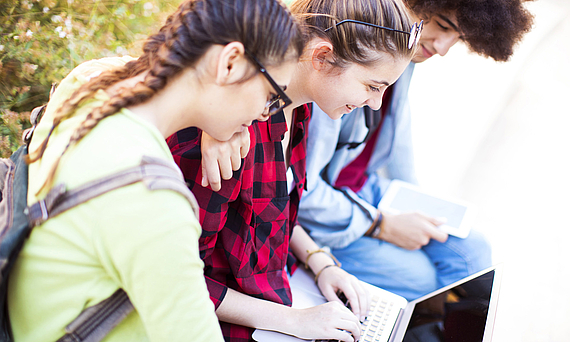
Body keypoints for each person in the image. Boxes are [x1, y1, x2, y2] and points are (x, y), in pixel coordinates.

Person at [7, 0, 304, 341]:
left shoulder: (89, 82)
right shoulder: (151, 199)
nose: (266, 115)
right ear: (230, 63)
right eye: (270, 96)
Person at [168, 0, 420, 340]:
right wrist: (294, 321)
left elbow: (277, 210)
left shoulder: (300, 111)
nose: (375, 104)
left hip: (281, 294)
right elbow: (175, 279)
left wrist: (321, 263)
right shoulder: (226, 133)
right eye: (372, 86)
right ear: (321, 56)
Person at [297, 0, 534, 300]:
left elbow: (398, 132)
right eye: (443, 25)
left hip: (363, 189)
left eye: (458, 37)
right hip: (326, 208)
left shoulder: (406, 55)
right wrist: (382, 225)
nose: (443, 47)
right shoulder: (340, 71)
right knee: (422, 279)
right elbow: (302, 193)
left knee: (474, 250)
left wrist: (415, 204)